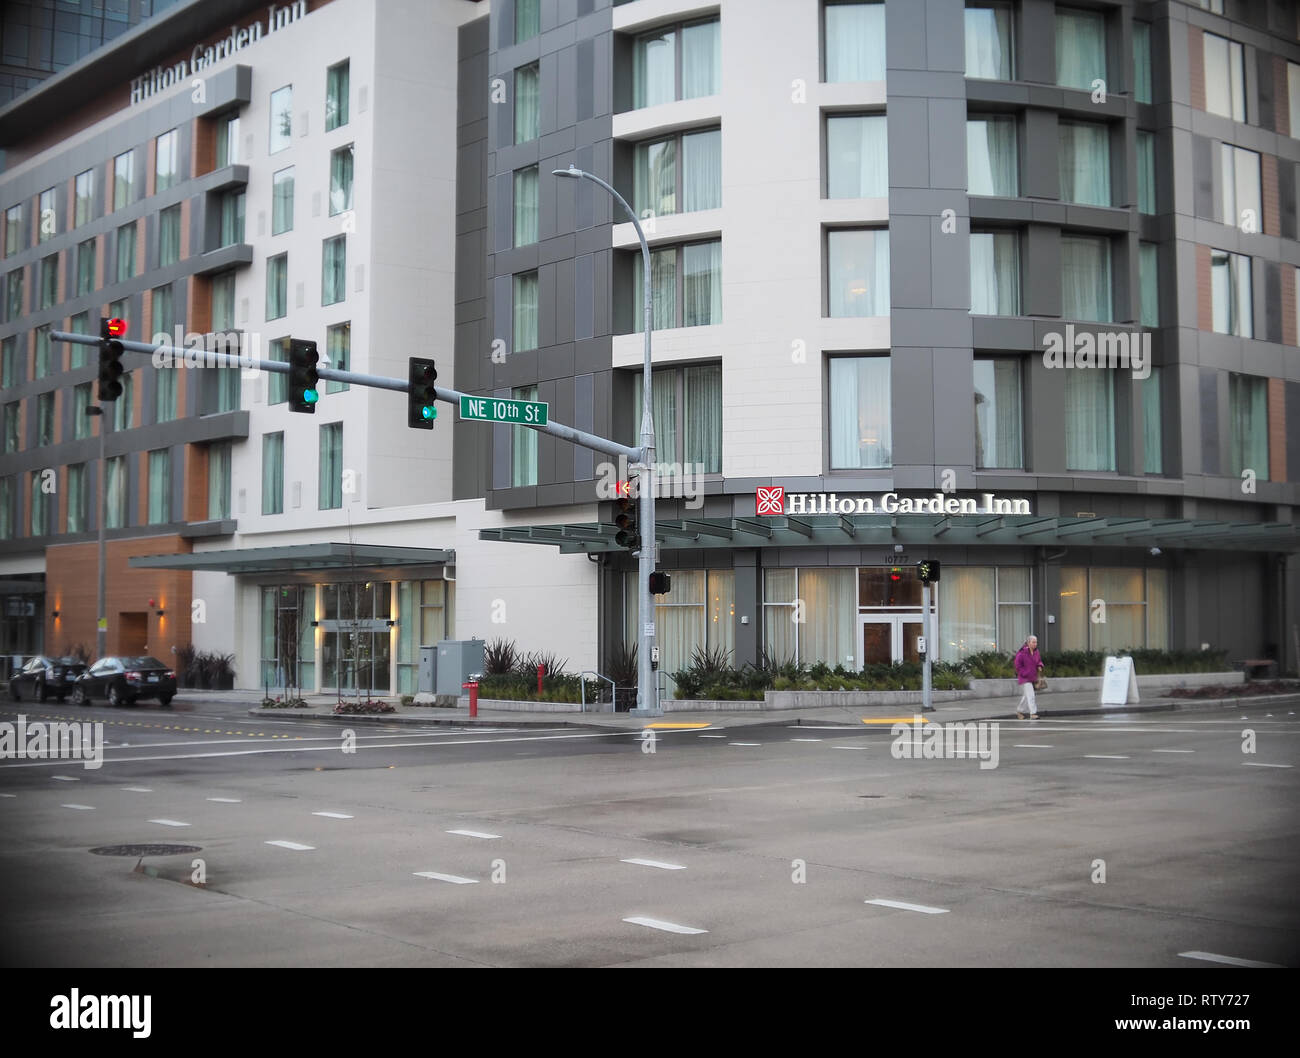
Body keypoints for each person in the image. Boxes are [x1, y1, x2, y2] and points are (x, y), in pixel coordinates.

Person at [1014, 635, 1043, 720]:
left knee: (1026, 696)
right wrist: (1024, 673)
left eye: (1036, 642)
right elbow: (1017, 665)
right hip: (1024, 678)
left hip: (1032, 677)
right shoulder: (1022, 652)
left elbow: (1039, 661)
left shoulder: (1036, 652)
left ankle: (1019, 711)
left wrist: (1040, 665)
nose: (1035, 644)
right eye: (1033, 642)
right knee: (1031, 695)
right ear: (1028, 643)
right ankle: (1033, 713)